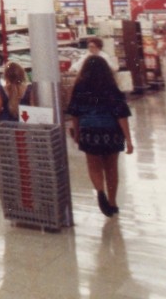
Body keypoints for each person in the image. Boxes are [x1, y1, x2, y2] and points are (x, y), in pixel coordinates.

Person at [66, 56, 134, 217]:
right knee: (112, 169)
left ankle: (100, 191)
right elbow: (121, 115)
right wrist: (129, 139)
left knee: (94, 166)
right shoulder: (111, 87)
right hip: (111, 132)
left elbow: (75, 112)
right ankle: (112, 202)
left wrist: (77, 133)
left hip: (89, 131)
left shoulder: (80, 87)